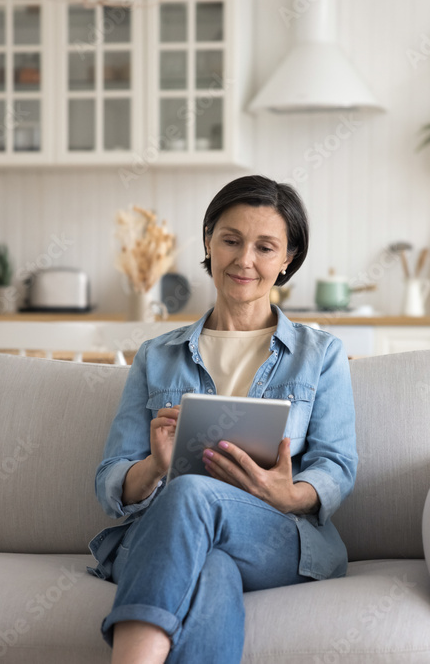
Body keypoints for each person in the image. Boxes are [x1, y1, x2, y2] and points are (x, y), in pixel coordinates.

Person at [87, 175, 358, 664]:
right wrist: (153, 466)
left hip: (275, 535)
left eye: (265, 247)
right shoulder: (157, 355)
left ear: (287, 259)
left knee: (190, 491)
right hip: (169, 536)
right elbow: (111, 479)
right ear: (209, 240)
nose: (244, 260)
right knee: (211, 568)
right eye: (231, 240)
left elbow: (337, 463)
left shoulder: (321, 356)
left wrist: (291, 494)